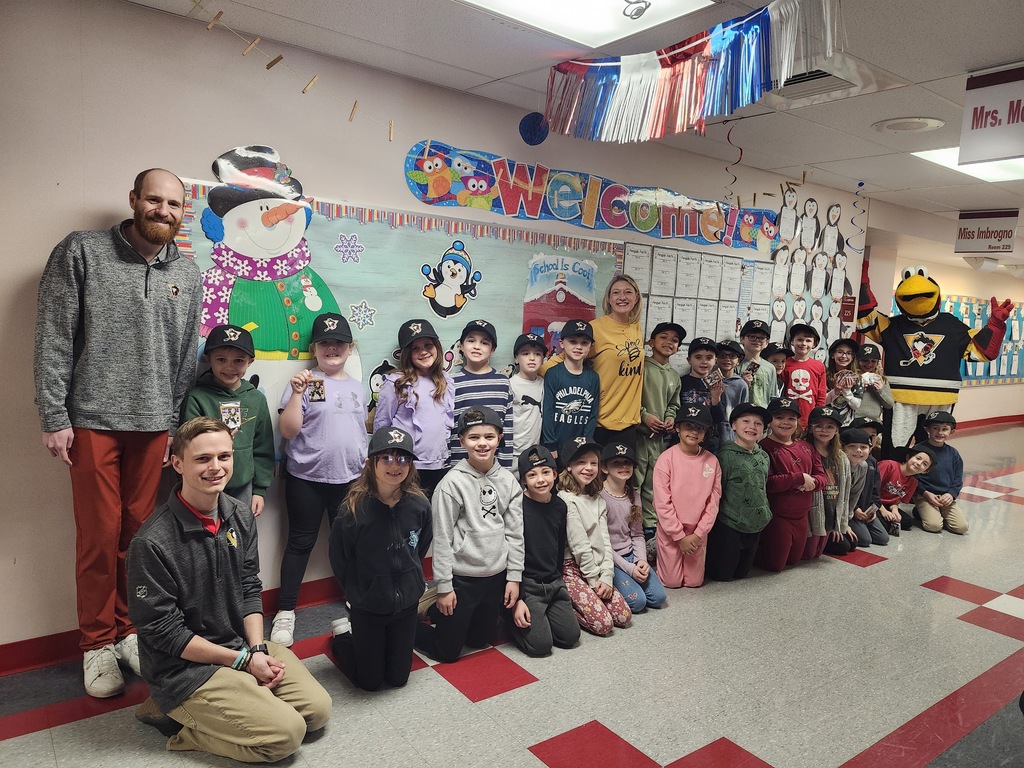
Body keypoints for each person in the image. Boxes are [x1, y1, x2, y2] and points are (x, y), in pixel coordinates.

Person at [35, 168, 202, 698]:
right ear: (134, 200)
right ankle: (96, 644)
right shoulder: (81, 252)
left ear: (183, 212)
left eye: (174, 205)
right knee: (98, 538)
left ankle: (130, 630)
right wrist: (54, 415)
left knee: (141, 537)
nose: (163, 211)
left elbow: (184, 358)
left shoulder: (190, 273)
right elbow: (54, 336)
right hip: (92, 421)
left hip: (154, 426)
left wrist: (175, 425)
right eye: (154, 200)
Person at [128, 417, 331, 762]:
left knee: (317, 712)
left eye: (224, 456)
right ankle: (180, 725)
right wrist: (242, 662)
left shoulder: (239, 514)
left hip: (240, 645)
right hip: (185, 670)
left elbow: (250, 586)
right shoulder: (151, 543)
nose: (216, 467)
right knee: (286, 737)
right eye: (203, 459)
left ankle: (246, 698)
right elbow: (166, 635)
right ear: (177, 463)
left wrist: (256, 650)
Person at [273, 313, 367, 647]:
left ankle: (358, 601)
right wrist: (297, 393)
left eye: (339, 342)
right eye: (325, 342)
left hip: (350, 480)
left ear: (349, 347)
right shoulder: (307, 383)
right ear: (314, 347)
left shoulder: (358, 388)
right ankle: (285, 611)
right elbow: (288, 431)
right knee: (300, 542)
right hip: (307, 479)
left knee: (349, 543)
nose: (332, 348)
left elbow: (358, 432)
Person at [416, 407, 524, 662]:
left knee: (480, 640)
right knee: (447, 653)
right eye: (474, 437)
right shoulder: (451, 484)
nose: (482, 443)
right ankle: (410, 621)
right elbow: (441, 539)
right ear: (462, 441)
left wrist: (514, 577)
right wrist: (444, 587)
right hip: (462, 578)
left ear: (499, 438)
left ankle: (437, 609)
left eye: (489, 436)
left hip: (495, 576)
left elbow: (515, 534)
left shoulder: (509, 481)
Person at [328, 427, 432, 691]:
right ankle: (342, 639)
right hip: (369, 606)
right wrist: (359, 592)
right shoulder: (353, 508)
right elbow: (340, 557)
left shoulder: (419, 505)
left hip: (407, 604)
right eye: (386, 458)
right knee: (369, 683)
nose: (394, 465)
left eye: (402, 459)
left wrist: (409, 580)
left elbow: (420, 547)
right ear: (370, 462)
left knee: (398, 679)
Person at [543, 274, 645, 448]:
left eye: (628, 292)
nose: (622, 297)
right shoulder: (596, 328)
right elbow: (557, 362)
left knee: (622, 475)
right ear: (609, 299)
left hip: (629, 423)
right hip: (599, 422)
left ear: (636, 297)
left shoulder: (636, 327)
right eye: (616, 293)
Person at [181, 325, 274, 516]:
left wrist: (259, 490)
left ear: (250, 361)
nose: (230, 367)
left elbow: (263, 447)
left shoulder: (256, 399)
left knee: (240, 535)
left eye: (238, 360)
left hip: (242, 485)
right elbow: (187, 447)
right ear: (208, 360)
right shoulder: (197, 398)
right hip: (204, 483)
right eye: (221, 359)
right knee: (204, 536)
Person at [509, 445, 580, 657]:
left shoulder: (560, 506)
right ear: (523, 480)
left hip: (554, 583)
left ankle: (545, 615)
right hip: (528, 585)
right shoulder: (518, 507)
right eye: (532, 475)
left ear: (555, 474)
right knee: (541, 647)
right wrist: (518, 598)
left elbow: (558, 546)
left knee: (570, 638)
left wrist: (559, 582)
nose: (540, 480)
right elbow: (511, 553)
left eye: (546, 472)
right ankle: (509, 616)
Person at [559, 436, 633, 635]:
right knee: (604, 624)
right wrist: (593, 581)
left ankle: (593, 594)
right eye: (581, 462)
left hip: (597, 565)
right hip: (572, 568)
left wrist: (607, 576)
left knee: (623, 617)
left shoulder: (597, 498)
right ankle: (566, 605)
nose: (588, 468)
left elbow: (605, 540)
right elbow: (579, 545)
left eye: (593, 463)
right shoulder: (565, 499)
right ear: (569, 466)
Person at [374, 318, 454, 498]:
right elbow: (382, 426)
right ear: (407, 353)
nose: (423, 352)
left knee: (432, 517)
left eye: (428, 345)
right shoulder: (396, 383)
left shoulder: (446, 381)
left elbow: (446, 423)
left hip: (438, 465)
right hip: (405, 466)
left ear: (437, 347)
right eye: (415, 348)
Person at [653, 404, 722, 588]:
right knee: (672, 582)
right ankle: (657, 555)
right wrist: (678, 536)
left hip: (697, 535)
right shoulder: (666, 460)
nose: (694, 432)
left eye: (699, 428)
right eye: (689, 426)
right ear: (678, 428)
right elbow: (662, 502)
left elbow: (713, 502)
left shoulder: (712, 462)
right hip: (671, 533)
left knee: (694, 582)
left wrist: (698, 534)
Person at [755, 397, 827, 572]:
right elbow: (767, 483)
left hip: (802, 515)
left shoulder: (806, 447)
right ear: (769, 422)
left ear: (797, 421)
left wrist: (814, 482)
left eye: (791, 418)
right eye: (779, 417)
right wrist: (798, 478)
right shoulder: (763, 447)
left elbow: (822, 476)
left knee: (794, 560)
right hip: (778, 516)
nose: (785, 422)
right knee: (775, 566)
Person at [705, 403, 772, 582]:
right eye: (746, 421)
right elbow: (717, 491)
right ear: (734, 425)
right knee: (723, 575)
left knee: (742, 574)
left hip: (756, 522)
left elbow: (763, 485)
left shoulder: (763, 456)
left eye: (758, 423)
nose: (752, 426)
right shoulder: (725, 456)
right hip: (730, 523)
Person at [600, 442, 667, 612]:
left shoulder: (634, 496)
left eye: (627, 463)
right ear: (605, 468)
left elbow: (637, 534)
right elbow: (602, 543)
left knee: (659, 598)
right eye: (616, 463)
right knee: (638, 603)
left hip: (631, 555)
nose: (623, 467)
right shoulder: (599, 497)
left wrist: (641, 560)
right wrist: (630, 569)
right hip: (610, 559)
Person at [449, 320, 515, 469]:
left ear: (492, 350)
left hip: (492, 467)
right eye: (471, 340)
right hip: (458, 466)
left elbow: (507, 427)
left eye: (484, 343)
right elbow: (447, 427)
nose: (477, 346)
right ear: (461, 346)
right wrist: (448, 464)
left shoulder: (502, 383)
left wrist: (504, 467)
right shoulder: (451, 382)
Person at [636, 322, 683, 532]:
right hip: (638, 436)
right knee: (633, 481)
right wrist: (644, 416)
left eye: (674, 340)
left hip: (659, 441)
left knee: (653, 484)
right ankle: (630, 528)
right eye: (664, 337)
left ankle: (649, 528)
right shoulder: (640, 366)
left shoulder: (674, 376)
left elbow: (674, 404)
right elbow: (628, 398)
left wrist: (671, 418)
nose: (669, 342)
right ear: (651, 342)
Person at [541, 319, 600, 458]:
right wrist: (550, 445)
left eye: (584, 343)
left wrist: (586, 444)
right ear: (562, 343)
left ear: (591, 346)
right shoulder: (553, 373)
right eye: (573, 341)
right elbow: (548, 411)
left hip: (579, 447)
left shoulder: (593, 378)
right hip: (555, 445)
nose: (578, 347)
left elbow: (592, 415)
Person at [804, 406, 856, 557]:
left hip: (831, 510)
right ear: (810, 428)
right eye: (819, 426)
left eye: (830, 427)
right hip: (813, 513)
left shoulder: (841, 457)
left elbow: (845, 493)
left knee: (848, 545)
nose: (824, 430)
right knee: (810, 555)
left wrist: (840, 524)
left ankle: (829, 533)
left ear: (837, 430)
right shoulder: (805, 451)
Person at [913, 411, 968, 534]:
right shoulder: (918, 449)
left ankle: (937, 511)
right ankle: (920, 510)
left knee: (962, 528)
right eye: (935, 428)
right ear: (928, 429)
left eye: (945, 429)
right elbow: (912, 477)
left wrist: (951, 494)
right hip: (925, 495)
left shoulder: (953, 454)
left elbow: (958, 479)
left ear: (951, 432)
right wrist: (925, 493)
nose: (940, 433)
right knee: (933, 526)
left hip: (945, 496)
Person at [841, 428, 888, 547]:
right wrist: (854, 511)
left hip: (863, 508)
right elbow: (843, 496)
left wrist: (874, 508)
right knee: (864, 540)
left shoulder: (865, 465)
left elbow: (875, 490)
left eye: (863, 447)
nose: (858, 450)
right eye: (852, 446)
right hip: (847, 510)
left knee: (883, 538)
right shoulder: (840, 465)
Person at [679, 337, 726, 454]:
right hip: (685, 440)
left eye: (709, 358)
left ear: (715, 360)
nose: (704, 361)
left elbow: (719, 418)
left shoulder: (718, 384)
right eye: (698, 357)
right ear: (689, 360)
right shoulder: (680, 382)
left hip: (710, 442)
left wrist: (716, 398)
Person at [509, 333, 547, 474]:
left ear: (543, 359)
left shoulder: (544, 384)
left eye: (537, 354)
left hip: (535, 453)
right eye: (525, 353)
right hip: (513, 453)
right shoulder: (510, 385)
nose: (532, 358)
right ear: (516, 358)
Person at [878, 445, 936, 531]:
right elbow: (870, 489)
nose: (919, 463)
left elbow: (896, 500)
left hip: (887, 505)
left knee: (907, 522)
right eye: (918, 458)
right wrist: (882, 510)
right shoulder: (889, 465)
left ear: (925, 471)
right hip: (872, 501)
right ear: (908, 457)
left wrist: (895, 510)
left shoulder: (913, 482)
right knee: (884, 524)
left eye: (925, 464)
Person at [782, 323, 827, 428]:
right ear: (792, 341)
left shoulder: (819, 366)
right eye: (800, 339)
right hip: (787, 416)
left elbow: (821, 394)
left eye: (808, 341)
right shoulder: (784, 363)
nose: (803, 343)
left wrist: (818, 416)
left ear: (814, 344)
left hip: (810, 417)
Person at [737, 319, 778, 407]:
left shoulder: (770, 368)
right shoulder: (736, 365)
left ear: (767, 342)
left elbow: (773, 396)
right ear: (742, 339)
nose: (757, 340)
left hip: (763, 413)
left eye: (762, 338)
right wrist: (742, 383)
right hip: (742, 413)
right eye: (752, 336)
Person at [715, 339, 750, 444]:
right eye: (722, 355)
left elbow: (744, 412)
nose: (727, 359)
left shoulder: (741, 384)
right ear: (716, 358)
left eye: (732, 356)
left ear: (739, 360)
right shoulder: (709, 380)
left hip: (731, 433)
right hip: (712, 432)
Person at [825, 338, 863, 427]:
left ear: (852, 357)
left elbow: (856, 406)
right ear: (832, 355)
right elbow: (821, 401)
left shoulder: (856, 377)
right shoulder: (824, 375)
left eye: (849, 353)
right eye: (840, 352)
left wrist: (847, 391)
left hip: (847, 425)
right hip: (825, 422)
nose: (844, 356)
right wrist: (836, 391)